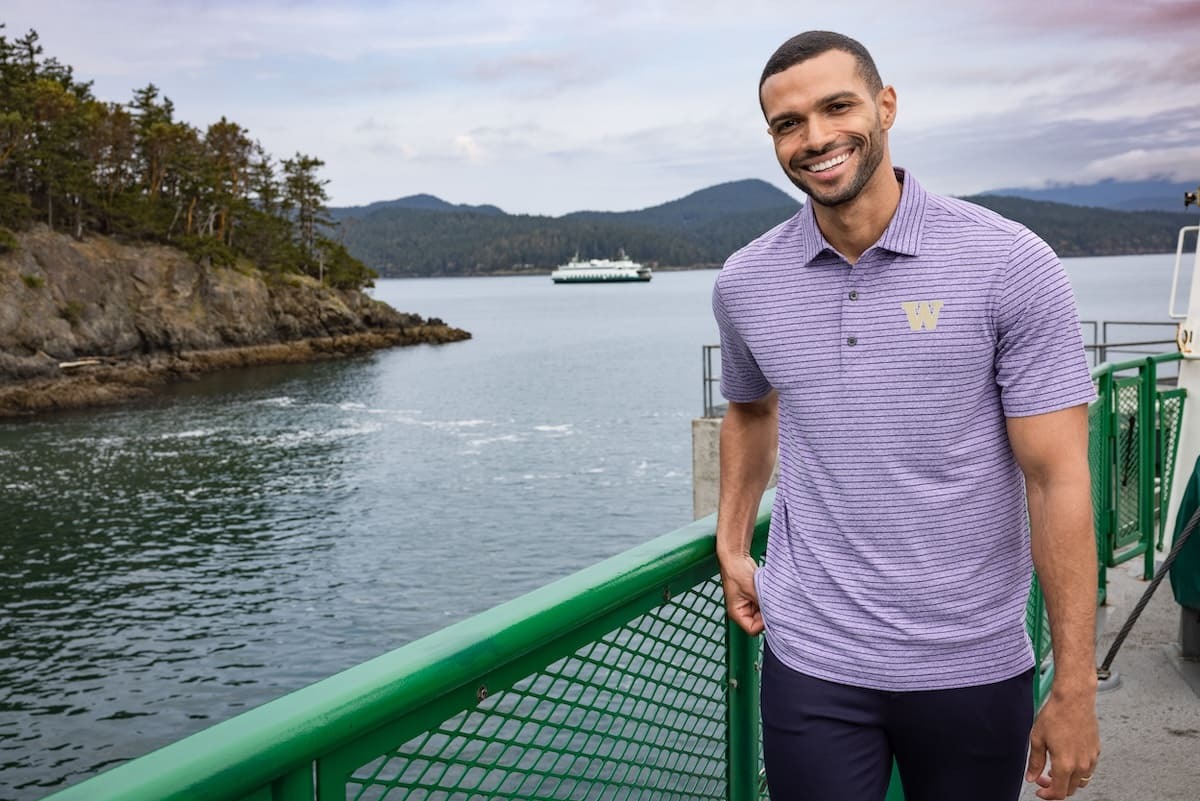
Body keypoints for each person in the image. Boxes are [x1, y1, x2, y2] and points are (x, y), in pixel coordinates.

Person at [712, 30, 1100, 801]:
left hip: (974, 662)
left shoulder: (1008, 262)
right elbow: (751, 410)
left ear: (885, 107)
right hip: (813, 659)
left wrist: (1075, 684)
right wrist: (730, 538)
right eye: (789, 123)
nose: (815, 138)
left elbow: (1058, 479)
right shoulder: (746, 281)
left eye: (836, 107)